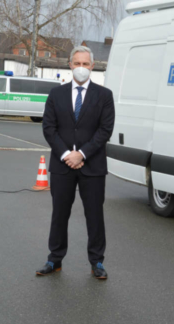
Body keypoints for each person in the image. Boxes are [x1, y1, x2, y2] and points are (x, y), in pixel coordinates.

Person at [36, 46, 115, 279]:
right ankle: (55, 259)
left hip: (92, 166)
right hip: (62, 166)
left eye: (86, 64)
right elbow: (49, 128)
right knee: (60, 214)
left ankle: (97, 262)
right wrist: (66, 155)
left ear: (92, 66)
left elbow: (105, 130)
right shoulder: (56, 94)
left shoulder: (104, 95)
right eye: (77, 63)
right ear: (70, 65)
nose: (81, 68)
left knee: (94, 216)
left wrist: (81, 154)